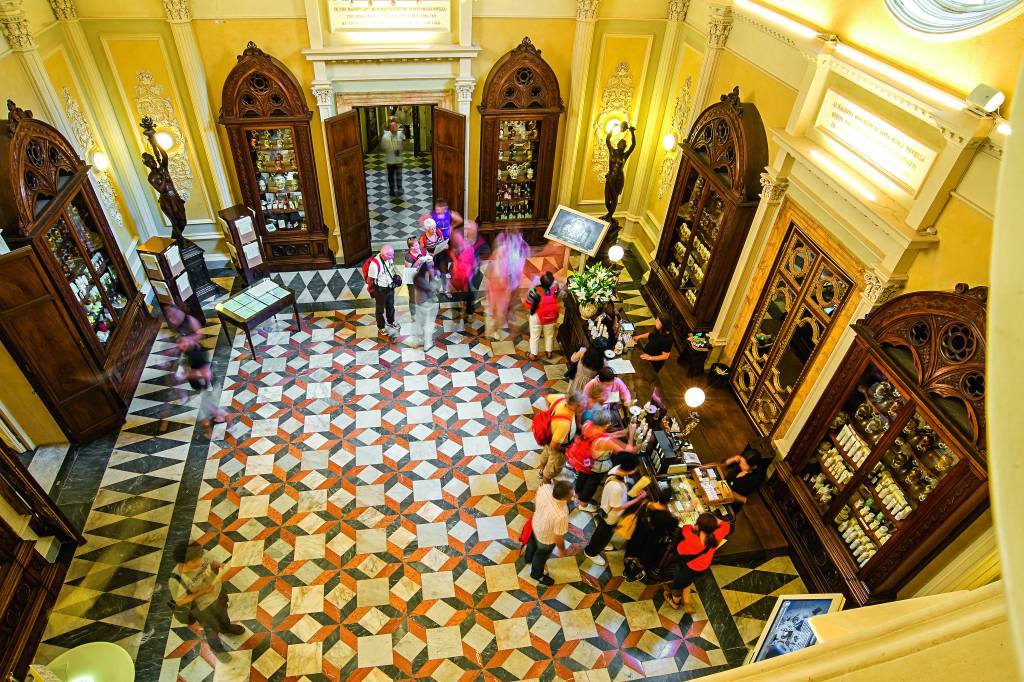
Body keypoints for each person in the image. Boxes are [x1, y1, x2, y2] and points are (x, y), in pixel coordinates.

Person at [169, 542, 244, 650]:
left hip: (218, 593)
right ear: (182, 563)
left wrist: (218, 565)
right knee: (210, 629)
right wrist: (202, 592)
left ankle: (227, 627)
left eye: (200, 557)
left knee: (223, 614)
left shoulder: (201, 554)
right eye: (195, 561)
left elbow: (211, 562)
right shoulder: (176, 579)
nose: (200, 561)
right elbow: (180, 601)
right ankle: (217, 648)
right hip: (203, 608)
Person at [582, 451, 647, 566]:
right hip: (610, 516)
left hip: (607, 510)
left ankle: (603, 543)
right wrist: (638, 499)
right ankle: (591, 552)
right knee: (603, 533)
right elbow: (618, 506)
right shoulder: (616, 487)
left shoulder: (616, 470)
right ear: (631, 470)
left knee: (606, 532)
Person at [569, 410, 637, 512]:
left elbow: (603, 435)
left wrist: (622, 432)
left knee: (582, 476)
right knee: (592, 483)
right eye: (609, 423)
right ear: (604, 425)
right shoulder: (604, 442)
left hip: (585, 460)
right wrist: (631, 435)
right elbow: (626, 452)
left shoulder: (588, 424)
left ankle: (577, 494)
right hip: (597, 465)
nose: (610, 424)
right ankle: (583, 504)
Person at [167, 306, 225, 426]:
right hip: (197, 373)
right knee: (204, 399)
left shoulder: (189, 321)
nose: (170, 315)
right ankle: (217, 415)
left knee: (207, 399)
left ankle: (220, 416)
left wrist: (187, 375)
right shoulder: (188, 353)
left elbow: (199, 334)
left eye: (172, 312)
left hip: (204, 378)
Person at [664, 512, 731, 613]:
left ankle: (675, 602)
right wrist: (712, 520)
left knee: (677, 585)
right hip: (702, 567)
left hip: (687, 567)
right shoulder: (717, 536)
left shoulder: (693, 539)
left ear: (699, 526)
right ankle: (686, 593)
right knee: (688, 579)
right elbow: (726, 525)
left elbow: (685, 528)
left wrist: (693, 527)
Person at [524, 480, 574, 586]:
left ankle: (528, 558)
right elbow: (558, 536)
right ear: (565, 497)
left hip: (535, 524)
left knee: (532, 543)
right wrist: (562, 550)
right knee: (540, 557)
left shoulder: (545, 488)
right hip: (546, 539)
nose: (573, 495)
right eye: (571, 494)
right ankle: (536, 574)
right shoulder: (562, 514)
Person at [624, 498, 678, 582]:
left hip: (637, 537)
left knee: (631, 554)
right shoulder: (666, 517)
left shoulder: (646, 504)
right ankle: (632, 575)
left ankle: (627, 571)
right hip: (650, 542)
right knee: (643, 559)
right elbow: (673, 525)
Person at [537, 391, 585, 483]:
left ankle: (541, 471)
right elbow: (554, 445)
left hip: (550, 435)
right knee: (552, 469)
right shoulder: (564, 424)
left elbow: (547, 396)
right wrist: (566, 450)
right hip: (558, 445)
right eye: (583, 407)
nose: (584, 409)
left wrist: (550, 412)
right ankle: (545, 483)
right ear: (577, 406)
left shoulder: (561, 398)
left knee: (546, 455)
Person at [365, 245, 400, 339]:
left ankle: (391, 321)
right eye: (390, 256)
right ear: (384, 255)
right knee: (380, 309)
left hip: (390, 287)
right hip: (380, 290)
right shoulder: (374, 265)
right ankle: (381, 327)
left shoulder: (388, 259)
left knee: (390, 305)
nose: (392, 257)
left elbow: (391, 269)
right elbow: (369, 280)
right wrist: (373, 290)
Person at [525, 271, 561, 360]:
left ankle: (533, 354)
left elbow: (528, 305)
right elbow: (558, 291)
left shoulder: (535, 290)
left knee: (534, 336)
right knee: (549, 335)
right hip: (551, 318)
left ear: (540, 281)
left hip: (537, 317)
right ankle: (549, 352)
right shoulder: (555, 289)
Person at [411, 260, 442, 349]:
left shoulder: (417, 276)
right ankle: (427, 344)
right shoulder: (422, 279)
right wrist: (437, 278)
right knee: (428, 325)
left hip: (419, 303)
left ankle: (419, 341)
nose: (434, 269)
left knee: (420, 324)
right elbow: (432, 291)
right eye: (432, 268)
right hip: (427, 305)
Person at [379, 118, 406, 197]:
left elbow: (404, 137)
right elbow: (383, 147)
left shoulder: (399, 134)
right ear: (390, 128)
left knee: (399, 175)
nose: (395, 128)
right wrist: (393, 149)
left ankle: (399, 188)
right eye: (393, 127)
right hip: (390, 160)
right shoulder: (386, 137)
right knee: (391, 177)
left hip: (398, 160)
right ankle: (392, 190)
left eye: (396, 126)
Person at [404, 236, 425, 320]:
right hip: (412, 280)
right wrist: (419, 261)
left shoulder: (421, 251)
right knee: (413, 297)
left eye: (418, 244)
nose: (418, 246)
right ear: (411, 247)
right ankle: (413, 315)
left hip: (421, 278)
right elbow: (409, 270)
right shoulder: (408, 257)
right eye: (416, 245)